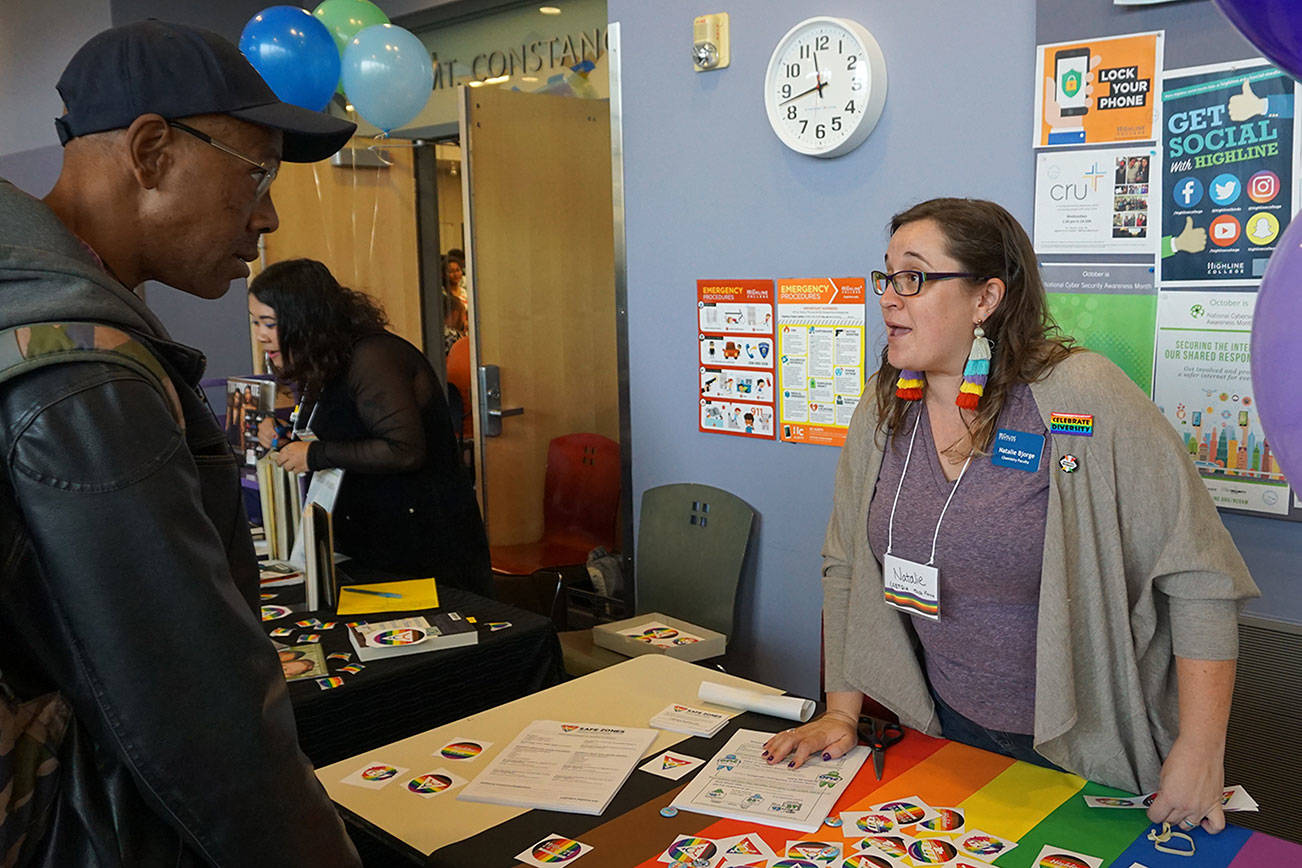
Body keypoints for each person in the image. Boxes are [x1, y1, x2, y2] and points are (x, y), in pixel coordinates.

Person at [762, 198, 1258, 836]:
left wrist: (1200, 751)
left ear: (985, 298)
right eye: (885, 277)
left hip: (1081, 743)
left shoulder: (1079, 397)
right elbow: (847, 565)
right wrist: (840, 712)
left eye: (914, 277)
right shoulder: (884, 407)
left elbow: (1201, 578)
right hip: (944, 729)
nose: (888, 297)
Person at [0, 21, 360, 866]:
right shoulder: (82, 373)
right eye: (256, 173)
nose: (267, 215)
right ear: (152, 150)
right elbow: (194, 710)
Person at [249, 258, 493, 597]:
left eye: (270, 323)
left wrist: (315, 454)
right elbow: (346, 434)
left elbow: (404, 450)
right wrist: (287, 439)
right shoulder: (327, 359)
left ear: (304, 320)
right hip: (370, 537)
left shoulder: (373, 356)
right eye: (255, 322)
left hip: (422, 542)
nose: (261, 336)